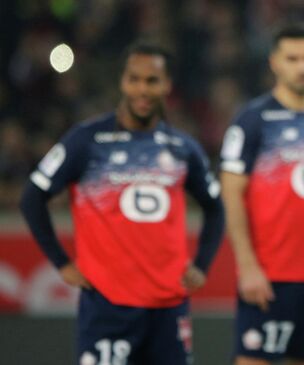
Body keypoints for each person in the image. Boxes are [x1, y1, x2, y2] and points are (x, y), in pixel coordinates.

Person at [19, 41, 225, 365]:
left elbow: (216, 207)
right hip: (107, 305)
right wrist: (61, 263)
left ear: (167, 85)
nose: (142, 89)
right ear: (122, 82)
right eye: (135, 79)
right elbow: (32, 198)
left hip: (168, 306)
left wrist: (202, 264)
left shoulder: (182, 147)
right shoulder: (86, 140)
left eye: (152, 80)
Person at [220, 22, 304, 365]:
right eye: (293, 58)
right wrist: (247, 266)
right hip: (270, 277)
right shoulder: (253, 121)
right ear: (274, 63)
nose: (303, 66)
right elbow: (231, 195)